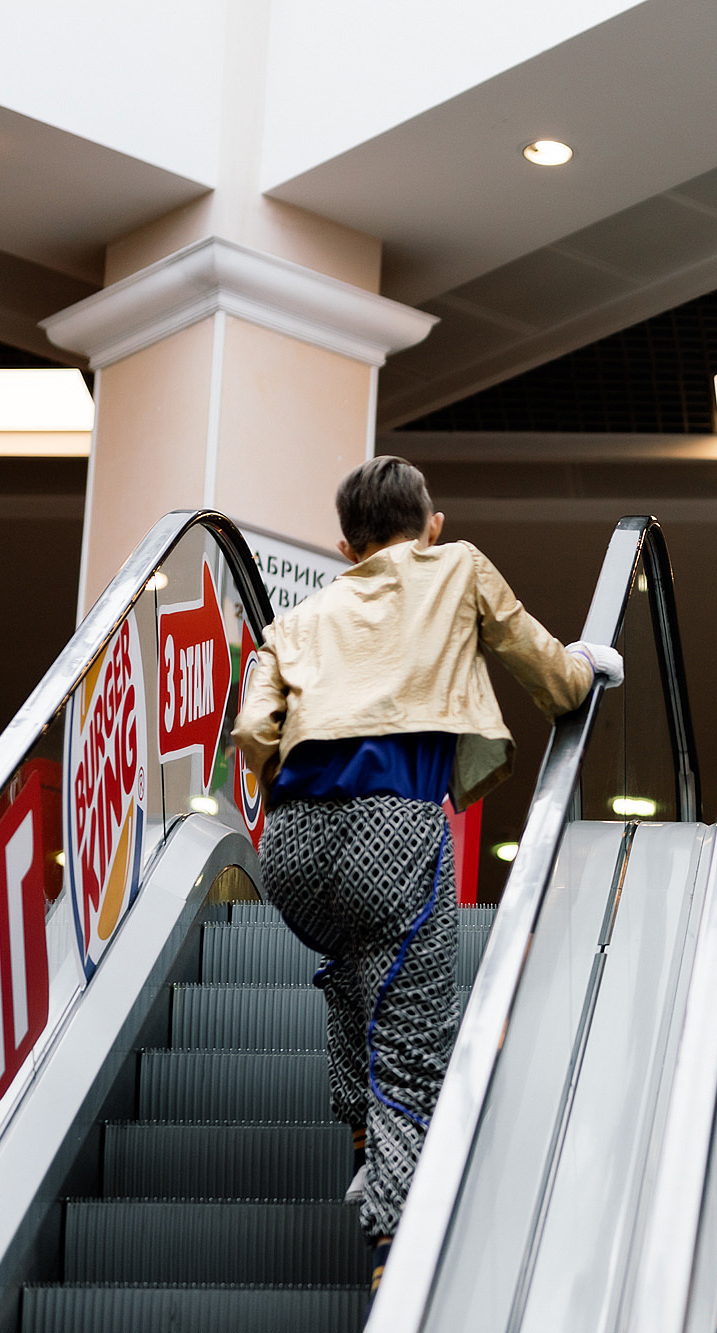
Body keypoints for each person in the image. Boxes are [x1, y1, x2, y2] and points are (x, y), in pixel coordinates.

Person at [233, 456, 622, 1287]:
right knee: (411, 1042)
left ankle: (365, 1137)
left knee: (350, 970)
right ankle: (394, 1251)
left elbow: (251, 732)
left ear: (346, 545)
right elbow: (550, 676)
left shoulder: (298, 619)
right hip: (395, 827)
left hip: (293, 847)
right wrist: (590, 666)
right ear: (432, 525)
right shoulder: (459, 566)